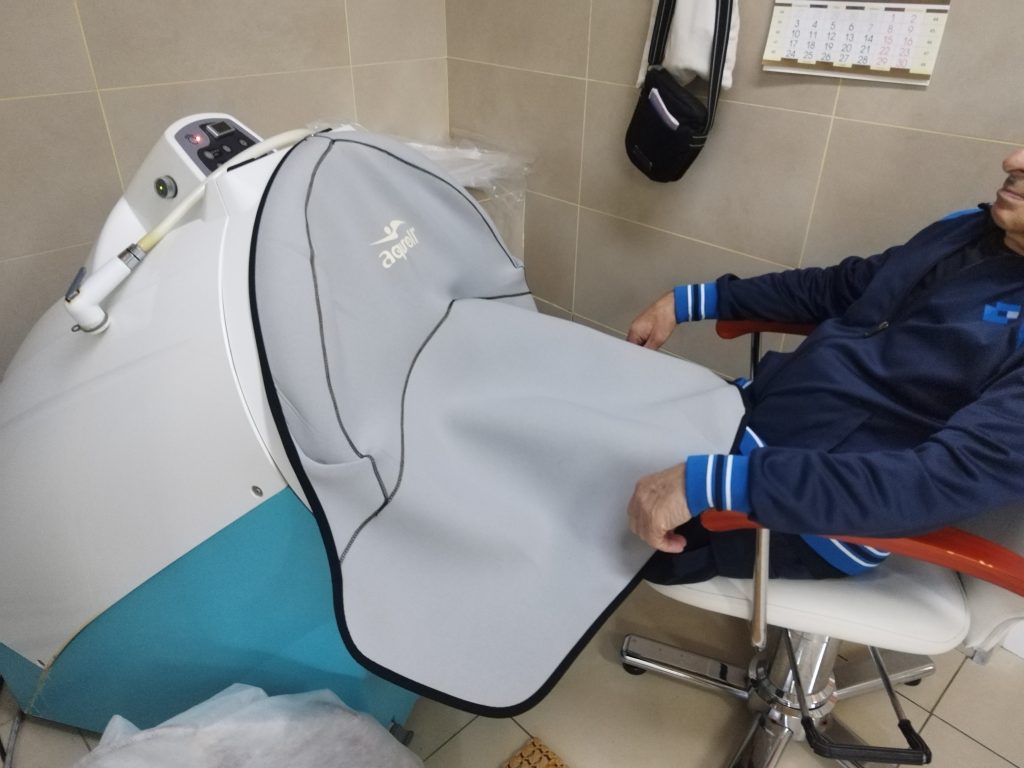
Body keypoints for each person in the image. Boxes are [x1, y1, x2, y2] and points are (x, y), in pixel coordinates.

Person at [625, 146, 1024, 584]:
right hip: (758, 418)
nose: (1013, 161)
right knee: (602, 415)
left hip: (810, 512)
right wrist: (691, 301)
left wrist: (715, 482)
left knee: (598, 522)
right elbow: (840, 287)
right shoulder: (967, 228)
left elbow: (936, 482)